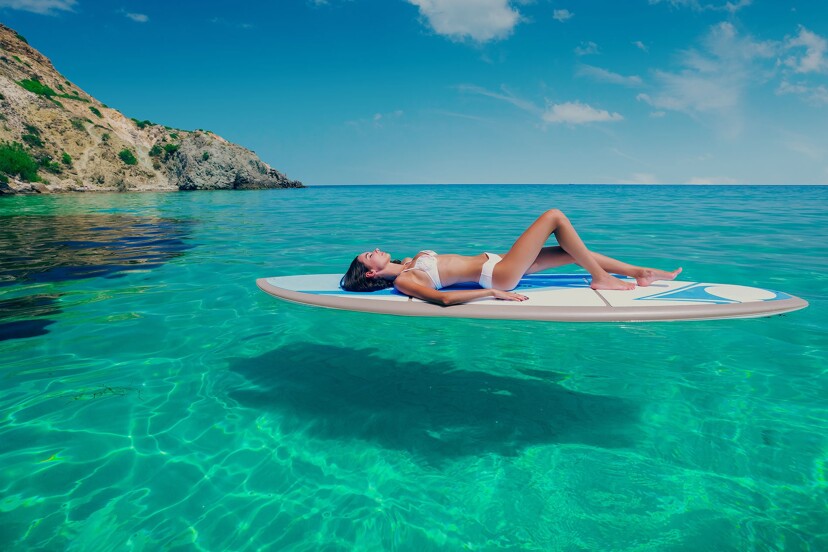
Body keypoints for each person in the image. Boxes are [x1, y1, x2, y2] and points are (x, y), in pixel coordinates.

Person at [341, 209, 682, 306]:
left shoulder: (412, 261)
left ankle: (641, 272)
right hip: (499, 275)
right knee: (554, 217)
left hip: (499, 261)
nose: (375, 249)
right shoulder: (405, 280)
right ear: (370, 274)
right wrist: (492, 292)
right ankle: (602, 278)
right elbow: (443, 299)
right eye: (369, 255)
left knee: (570, 250)